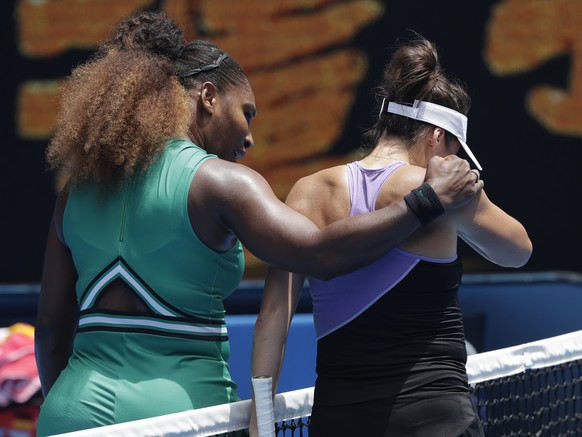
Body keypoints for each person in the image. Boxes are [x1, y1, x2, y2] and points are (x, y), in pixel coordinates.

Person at [34, 12, 482, 436]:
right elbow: (320, 255)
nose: (249, 137)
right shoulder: (222, 184)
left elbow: (53, 331)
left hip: (70, 411)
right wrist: (427, 200)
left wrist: (69, 411)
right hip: (181, 417)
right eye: (245, 112)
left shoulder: (76, 192)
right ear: (208, 98)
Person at [250, 34, 532, 437]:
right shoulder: (443, 190)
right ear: (437, 138)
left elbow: (272, 317)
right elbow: (518, 252)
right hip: (438, 421)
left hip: (339, 423)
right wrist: (464, 194)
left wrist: (260, 425)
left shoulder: (306, 193)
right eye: (455, 150)